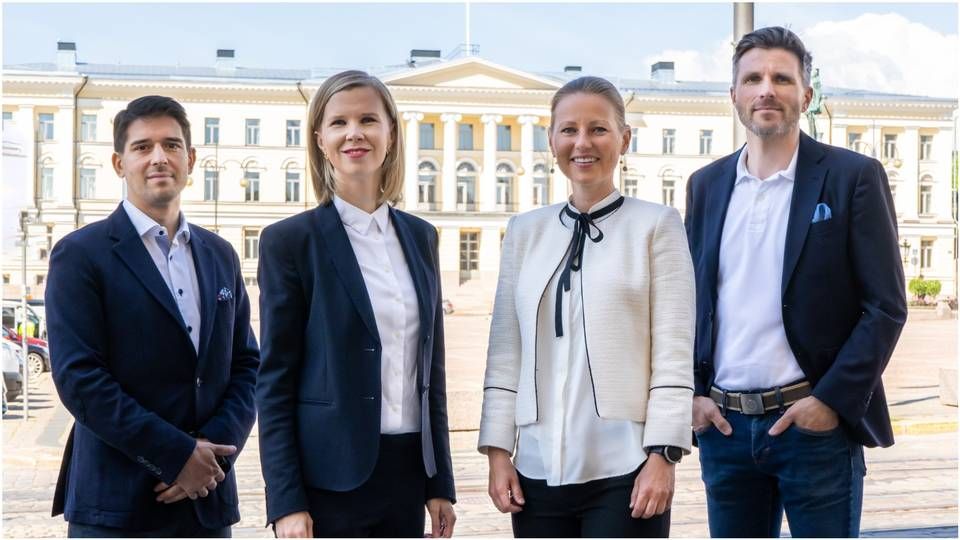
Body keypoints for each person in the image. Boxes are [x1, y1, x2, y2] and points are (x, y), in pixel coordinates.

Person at [684, 26, 908, 538]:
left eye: (782, 78)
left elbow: (886, 306)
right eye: (754, 78)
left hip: (814, 429)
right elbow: (692, 302)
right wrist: (693, 395)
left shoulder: (853, 176)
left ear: (805, 95)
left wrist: (830, 402)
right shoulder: (706, 185)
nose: (767, 89)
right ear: (734, 95)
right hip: (725, 430)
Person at [478, 76, 695, 538]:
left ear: (624, 139)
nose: (582, 143)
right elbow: (505, 351)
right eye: (568, 129)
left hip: (627, 469)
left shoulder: (656, 225)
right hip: (536, 470)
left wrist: (664, 455)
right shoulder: (525, 231)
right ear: (552, 139)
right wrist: (499, 452)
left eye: (598, 129)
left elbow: (674, 351)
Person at [46, 95, 260, 537]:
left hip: (206, 504)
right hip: (116, 506)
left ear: (191, 159)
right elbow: (80, 380)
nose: (159, 157)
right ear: (119, 163)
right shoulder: (80, 255)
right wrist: (177, 455)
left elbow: (246, 366)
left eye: (172, 145)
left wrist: (211, 458)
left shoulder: (220, 254)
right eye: (143, 147)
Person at [256, 70, 456, 538]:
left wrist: (439, 481)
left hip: (407, 476)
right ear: (320, 139)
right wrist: (286, 502)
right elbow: (275, 381)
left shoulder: (421, 237)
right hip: (329, 483)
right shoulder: (290, 242)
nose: (354, 133)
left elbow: (433, 372)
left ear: (391, 133)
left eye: (368, 119)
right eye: (339, 122)